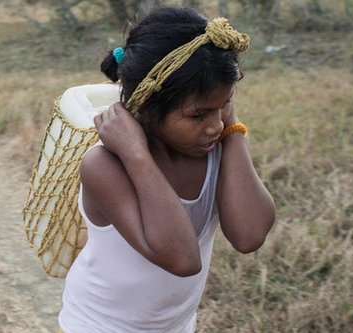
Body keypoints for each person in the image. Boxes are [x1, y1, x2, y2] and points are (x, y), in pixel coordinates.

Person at [58, 7, 276, 333]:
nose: (215, 125)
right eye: (199, 115)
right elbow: (183, 259)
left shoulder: (218, 146)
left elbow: (249, 236)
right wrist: (136, 155)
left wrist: (232, 129)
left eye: (225, 104)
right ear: (146, 107)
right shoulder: (105, 165)